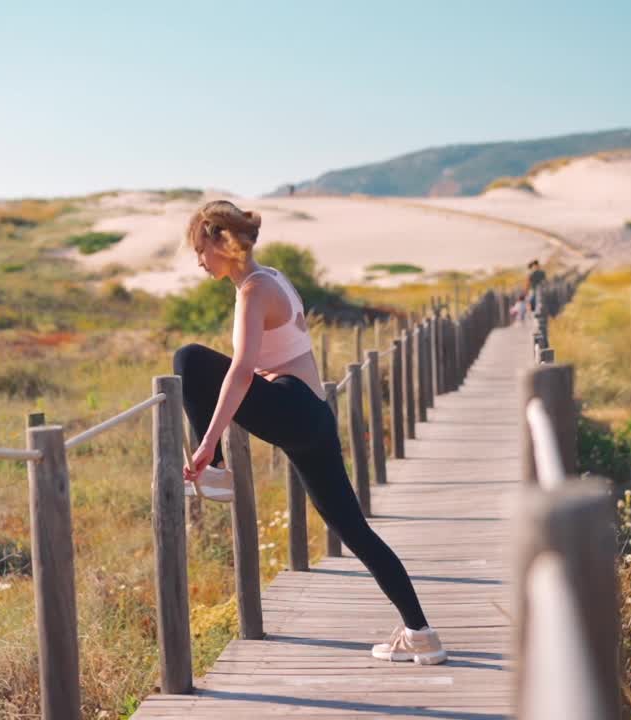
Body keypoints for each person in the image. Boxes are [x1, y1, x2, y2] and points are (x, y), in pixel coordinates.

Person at [172, 200, 447, 665]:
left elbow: (240, 372)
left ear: (221, 244)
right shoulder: (273, 277)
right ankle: (421, 633)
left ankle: (215, 470)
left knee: (189, 359)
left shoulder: (253, 290)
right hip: (311, 415)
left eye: (201, 250)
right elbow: (255, 364)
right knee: (353, 529)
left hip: (294, 407)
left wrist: (206, 443)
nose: (199, 261)